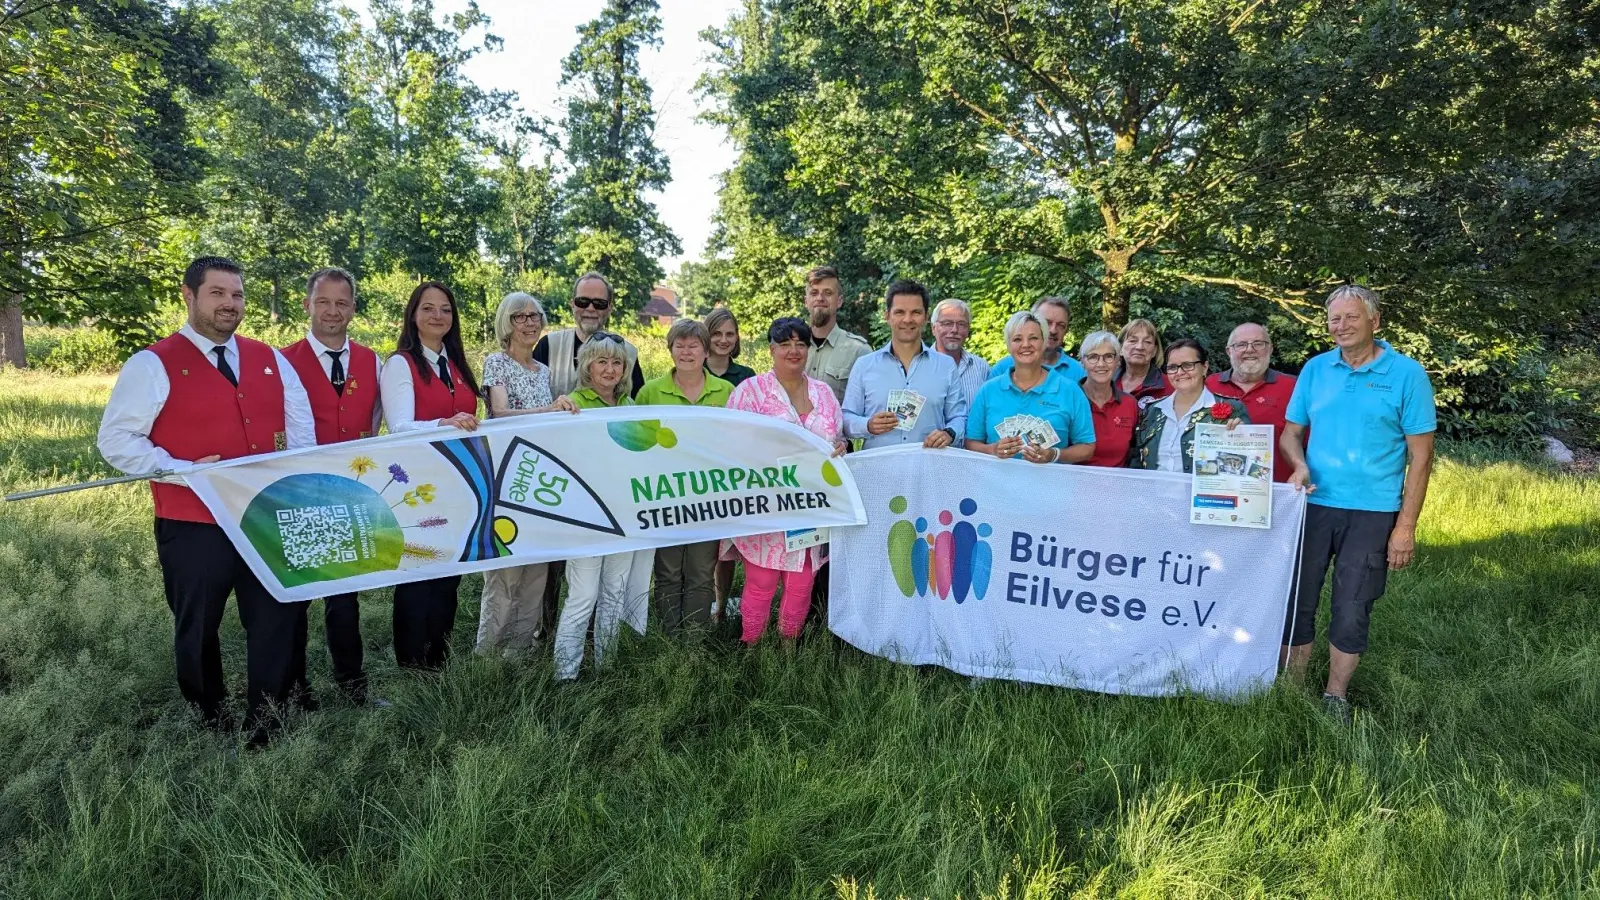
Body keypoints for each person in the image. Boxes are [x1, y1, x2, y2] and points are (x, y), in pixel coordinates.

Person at [97, 256, 315, 745]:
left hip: (268, 515)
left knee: (278, 613)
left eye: (236, 295)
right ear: (189, 295)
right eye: (217, 293)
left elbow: (301, 432)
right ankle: (209, 716)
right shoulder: (153, 363)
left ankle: (268, 718)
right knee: (198, 626)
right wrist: (181, 470)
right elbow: (116, 440)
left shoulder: (270, 358)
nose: (229, 304)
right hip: (193, 521)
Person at [1280, 286, 1436, 722]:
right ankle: (1289, 690)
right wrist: (1298, 464)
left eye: (1351, 318)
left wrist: (1405, 527)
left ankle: (1335, 696)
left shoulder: (1407, 375)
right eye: (1334, 319)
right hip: (1312, 505)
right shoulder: (1315, 370)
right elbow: (1291, 434)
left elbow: (1421, 458)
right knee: (1297, 599)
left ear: (1375, 321)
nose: (1341, 326)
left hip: (1372, 512)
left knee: (1352, 606)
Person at [279, 266, 383, 705]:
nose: (332, 311)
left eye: (342, 303)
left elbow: (376, 420)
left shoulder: (372, 360)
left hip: (349, 492)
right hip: (302, 493)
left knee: (345, 598)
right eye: (323, 301)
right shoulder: (282, 360)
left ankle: (352, 686)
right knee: (299, 599)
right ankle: (297, 690)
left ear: (353, 309)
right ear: (307, 305)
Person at [726, 317, 848, 645]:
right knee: (762, 580)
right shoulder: (750, 393)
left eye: (801, 344)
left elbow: (837, 438)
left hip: (810, 506)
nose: (793, 350)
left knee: (802, 582)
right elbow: (730, 444)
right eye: (785, 344)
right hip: (766, 505)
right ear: (772, 349)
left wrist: (840, 446)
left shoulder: (823, 393)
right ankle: (751, 645)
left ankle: (787, 649)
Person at [378, 281, 480, 671]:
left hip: (455, 481)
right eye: (428, 308)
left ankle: (438, 657)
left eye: (446, 310)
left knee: (446, 574)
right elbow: (398, 425)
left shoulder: (455, 365)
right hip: (416, 486)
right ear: (414, 315)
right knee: (417, 573)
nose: (438, 316)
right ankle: (412, 664)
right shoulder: (401, 363)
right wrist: (443, 422)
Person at [475, 292, 579, 659]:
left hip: (536, 481)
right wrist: (549, 409)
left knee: (536, 573)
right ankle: (487, 655)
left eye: (535, 316)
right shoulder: (496, 363)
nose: (530, 323)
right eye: (520, 316)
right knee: (506, 573)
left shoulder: (544, 371)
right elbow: (498, 415)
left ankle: (517, 653)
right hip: (505, 478)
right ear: (507, 321)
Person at [553, 333, 650, 679]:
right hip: (587, 516)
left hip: (624, 514)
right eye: (601, 361)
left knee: (615, 593)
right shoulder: (572, 405)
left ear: (625, 368)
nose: (610, 369)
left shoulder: (631, 407)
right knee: (583, 596)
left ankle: (605, 666)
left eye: (617, 362)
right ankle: (565, 674)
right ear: (587, 366)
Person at [636, 319, 733, 636]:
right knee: (667, 571)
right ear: (670, 349)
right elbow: (636, 446)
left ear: (706, 351)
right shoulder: (650, 393)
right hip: (664, 498)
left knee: (702, 572)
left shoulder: (726, 392)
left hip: (709, 500)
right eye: (680, 345)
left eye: (694, 345)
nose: (687, 351)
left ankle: (694, 640)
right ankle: (669, 638)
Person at [842, 280, 968, 450]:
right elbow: (846, 418)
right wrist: (868, 425)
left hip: (929, 468)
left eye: (915, 312)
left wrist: (949, 433)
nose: (908, 319)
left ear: (925, 316)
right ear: (887, 316)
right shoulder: (864, 366)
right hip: (879, 471)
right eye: (900, 312)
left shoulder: (946, 366)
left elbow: (959, 416)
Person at [965, 310, 1096, 464]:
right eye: (1017, 339)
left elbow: (1087, 447)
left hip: (1052, 486)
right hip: (996, 485)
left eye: (1033, 338)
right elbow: (971, 443)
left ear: (1044, 341)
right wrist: (993, 450)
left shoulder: (1070, 390)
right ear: (1008, 345)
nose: (1025, 345)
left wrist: (1054, 454)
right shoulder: (988, 390)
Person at [1127, 338, 1248, 472]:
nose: (1179, 372)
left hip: (1203, 492)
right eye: (1173, 367)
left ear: (1205, 367)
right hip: (1154, 492)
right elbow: (1137, 463)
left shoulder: (1232, 409)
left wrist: (1243, 440)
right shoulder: (1152, 410)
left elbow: (1245, 463)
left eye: (1188, 365)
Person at [1206, 322, 1299, 482]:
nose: (1250, 349)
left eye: (1258, 344)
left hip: (1276, 491)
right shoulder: (1208, 385)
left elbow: (1307, 440)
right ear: (1229, 351)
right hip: (1217, 490)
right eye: (1241, 344)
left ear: (1270, 348)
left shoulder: (1294, 387)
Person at [533, 271, 644, 398]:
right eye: (582, 301)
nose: (590, 308)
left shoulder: (628, 353)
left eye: (599, 303)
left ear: (610, 308)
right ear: (572, 304)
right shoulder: (549, 345)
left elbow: (639, 408)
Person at [800, 264, 871, 403]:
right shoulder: (791, 349)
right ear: (806, 301)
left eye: (828, 293)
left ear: (839, 301)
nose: (820, 298)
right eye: (814, 293)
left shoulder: (859, 351)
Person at [1077, 331, 1140, 468]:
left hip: (1118, 487)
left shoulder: (1130, 404)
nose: (1101, 364)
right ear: (1082, 362)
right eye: (1093, 357)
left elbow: (1136, 452)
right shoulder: (1069, 399)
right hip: (1073, 485)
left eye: (1108, 357)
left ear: (1117, 362)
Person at [988, 297, 1085, 384]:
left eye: (1061, 325)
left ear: (1066, 331)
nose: (1053, 330)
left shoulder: (1079, 372)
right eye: (1047, 322)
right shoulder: (1002, 369)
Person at [930, 298, 990, 407]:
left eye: (961, 324)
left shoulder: (981, 368)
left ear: (968, 330)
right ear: (933, 328)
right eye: (947, 323)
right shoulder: (918, 366)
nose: (954, 330)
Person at [1116, 318, 1172, 406]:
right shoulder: (1105, 383)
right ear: (1120, 348)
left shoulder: (1170, 385)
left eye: (1147, 342)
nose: (1139, 347)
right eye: (1132, 341)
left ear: (1154, 351)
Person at [704, 307, 757, 387]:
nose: (723, 340)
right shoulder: (694, 373)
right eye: (717, 334)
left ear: (736, 337)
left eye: (729, 334)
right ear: (706, 335)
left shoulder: (747, 376)